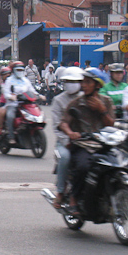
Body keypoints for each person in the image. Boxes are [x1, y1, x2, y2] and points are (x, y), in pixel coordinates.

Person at [59, 68, 115, 213]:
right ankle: (73, 198)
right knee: (83, 166)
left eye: (88, 82)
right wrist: (71, 133)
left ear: (97, 85)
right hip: (83, 145)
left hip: (103, 144)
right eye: (83, 82)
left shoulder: (106, 102)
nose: (83, 85)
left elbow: (111, 124)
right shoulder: (76, 103)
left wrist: (101, 110)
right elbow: (64, 122)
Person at [50, 67, 83, 208]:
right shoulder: (58, 100)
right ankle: (61, 192)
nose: (71, 83)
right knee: (65, 158)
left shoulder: (86, 98)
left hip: (86, 140)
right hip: (65, 141)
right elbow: (57, 126)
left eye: (74, 81)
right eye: (68, 81)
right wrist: (68, 139)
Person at [3, 62, 36, 145]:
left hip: (25, 104)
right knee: (10, 116)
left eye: (21, 70)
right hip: (13, 104)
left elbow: (32, 90)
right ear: (13, 70)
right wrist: (11, 97)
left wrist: (39, 96)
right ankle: (11, 137)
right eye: (18, 70)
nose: (19, 71)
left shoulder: (25, 80)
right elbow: (6, 92)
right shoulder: (9, 80)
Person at [0, 66, 13, 133]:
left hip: (14, 102)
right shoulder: (3, 84)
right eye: (5, 74)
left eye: (8, 73)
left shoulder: (15, 82)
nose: (7, 75)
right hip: (4, 102)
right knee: (1, 112)